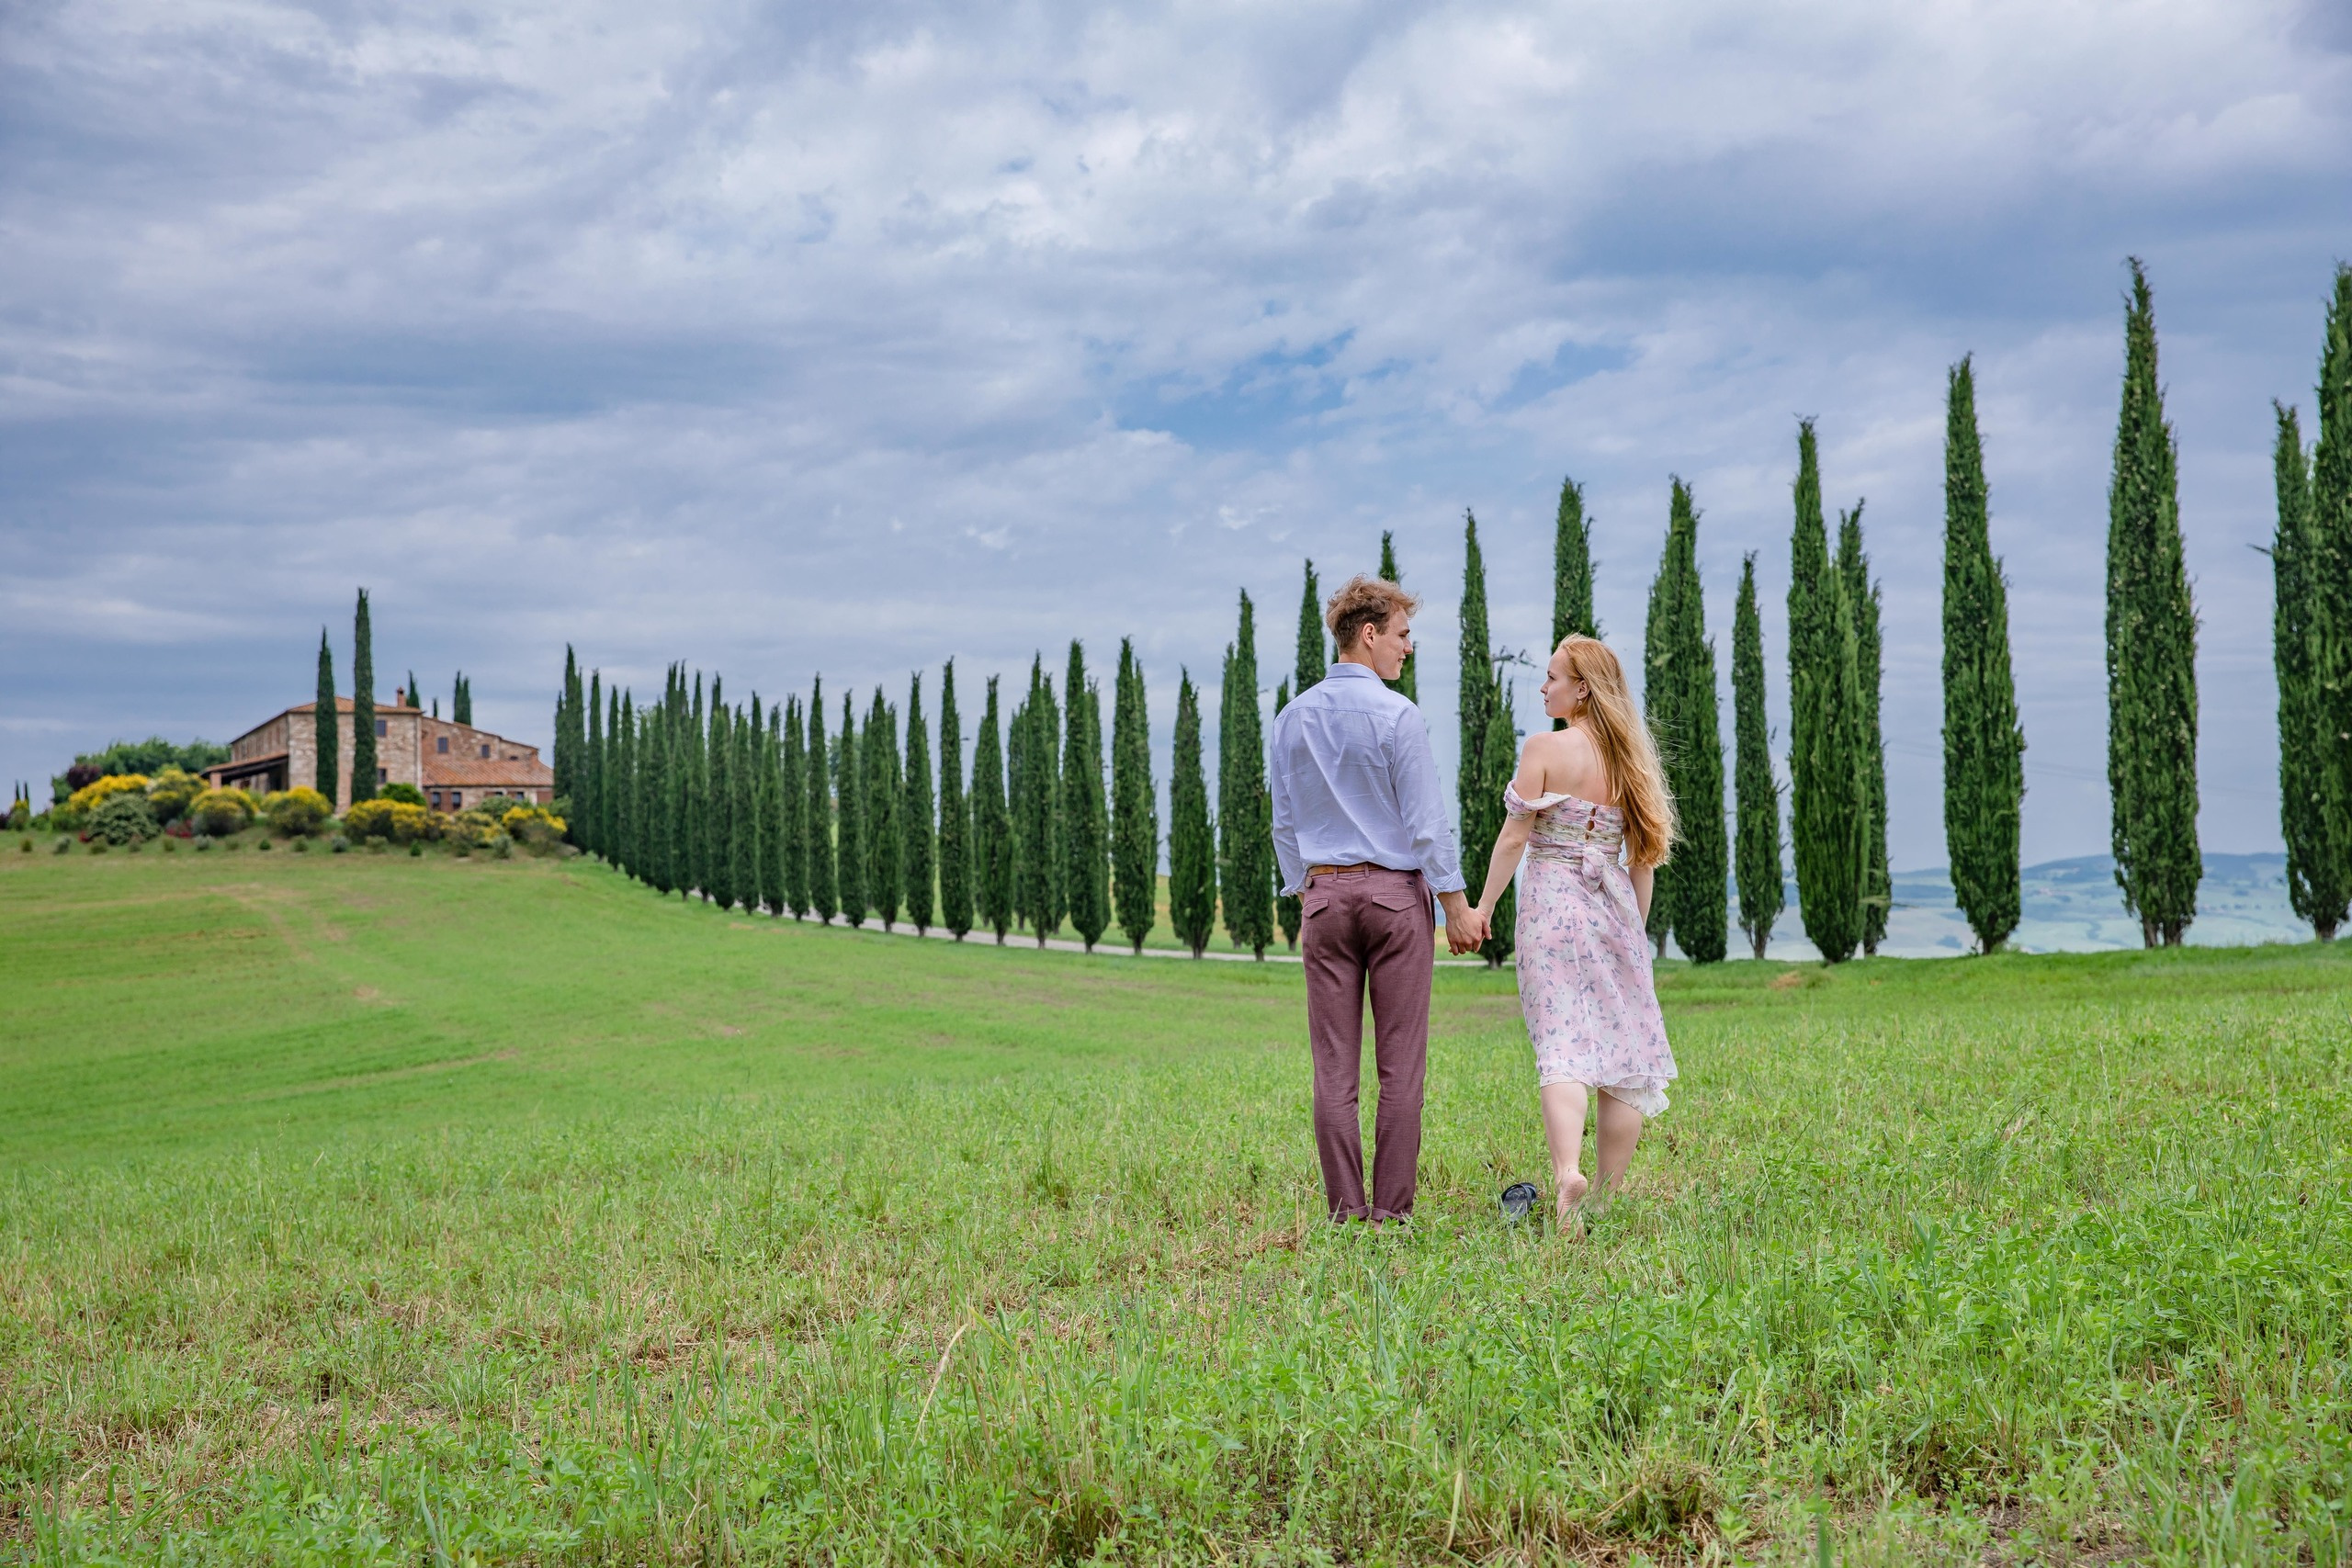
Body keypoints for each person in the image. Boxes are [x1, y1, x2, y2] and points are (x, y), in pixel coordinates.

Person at [1271, 575, 1488, 1224]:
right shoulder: (1399, 715)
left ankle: (1345, 1211)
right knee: (1401, 1066)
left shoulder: (1291, 716)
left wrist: (1304, 884)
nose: (1407, 647)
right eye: (1401, 634)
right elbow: (1425, 821)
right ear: (1368, 634)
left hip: (1327, 899)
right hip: (1396, 901)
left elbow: (1284, 820)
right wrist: (1454, 905)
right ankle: (1390, 1213)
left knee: (1333, 1068)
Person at [1470, 634, 1678, 1228]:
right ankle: (1605, 1199)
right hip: (1612, 909)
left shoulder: (1543, 748)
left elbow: (1514, 838)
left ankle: (1567, 1175)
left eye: (1554, 676)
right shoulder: (1629, 762)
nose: (1544, 686)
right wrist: (1633, 937)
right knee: (1622, 1056)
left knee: (1561, 1049)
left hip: (1550, 908)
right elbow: (1643, 863)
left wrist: (1483, 906)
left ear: (1582, 687)